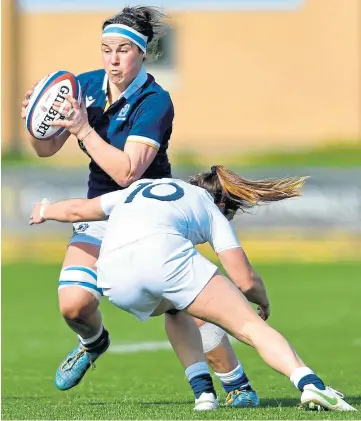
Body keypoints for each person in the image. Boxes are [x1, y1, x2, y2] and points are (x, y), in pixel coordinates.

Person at [21, 6, 258, 405]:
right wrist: (35, 120)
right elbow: (45, 150)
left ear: (142, 53)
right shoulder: (84, 87)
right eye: (106, 49)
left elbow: (127, 173)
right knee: (74, 305)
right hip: (101, 211)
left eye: (124, 50)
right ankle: (94, 342)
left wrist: (83, 129)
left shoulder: (155, 100)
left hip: (150, 216)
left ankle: (237, 386)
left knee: (191, 306)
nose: (113, 60)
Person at [29, 166, 356, 412]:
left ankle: (204, 394)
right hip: (163, 259)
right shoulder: (211, 208)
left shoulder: (142, 188)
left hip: (113, 277)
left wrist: (44, 210)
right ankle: (310, 383)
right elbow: (244, 279)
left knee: (174, 305)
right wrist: (262, 301)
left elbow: (76, 210)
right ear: (224, 204)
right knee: (251, 327)